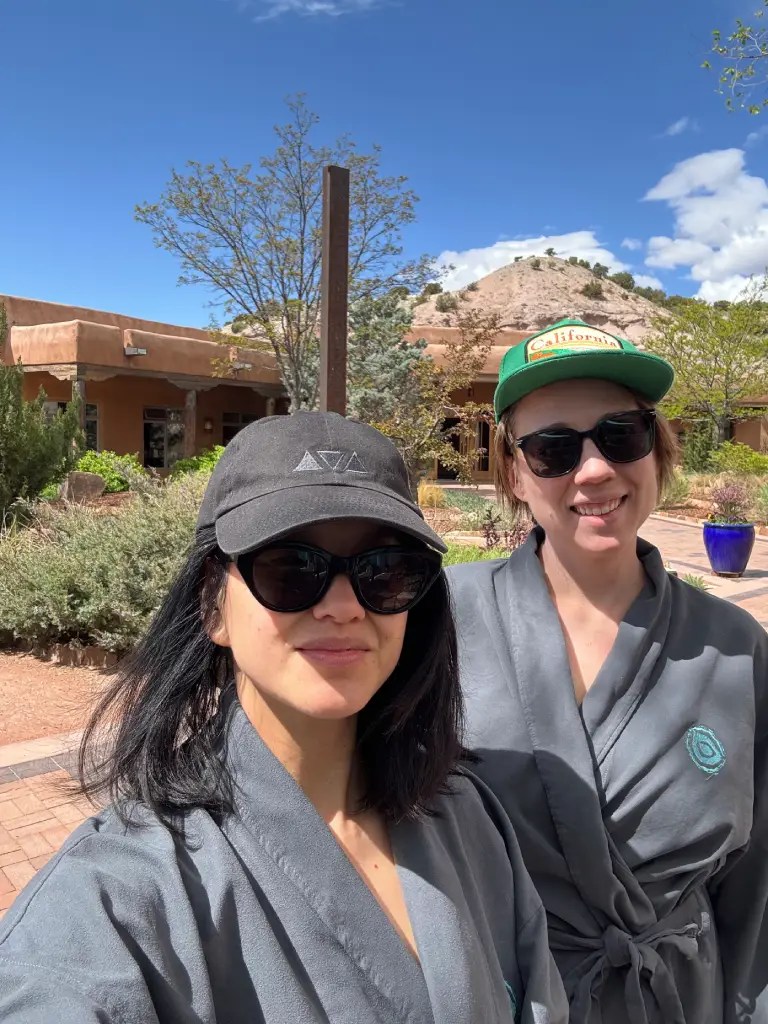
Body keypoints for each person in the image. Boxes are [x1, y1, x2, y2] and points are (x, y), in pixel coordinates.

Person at [0, 411, 567, 1024]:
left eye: (384, 571)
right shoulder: (119, 895)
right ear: (213, 603)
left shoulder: (468, 815)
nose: (344, 607)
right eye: (291, 568)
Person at [447, 318, 768, 1024]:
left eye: (621, 435)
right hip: (501, 995)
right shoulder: (438, 623)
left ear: (658, 449)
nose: (593, 470)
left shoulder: (736, 648)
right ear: (514, 473)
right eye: (553, 449)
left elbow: (757, 891)